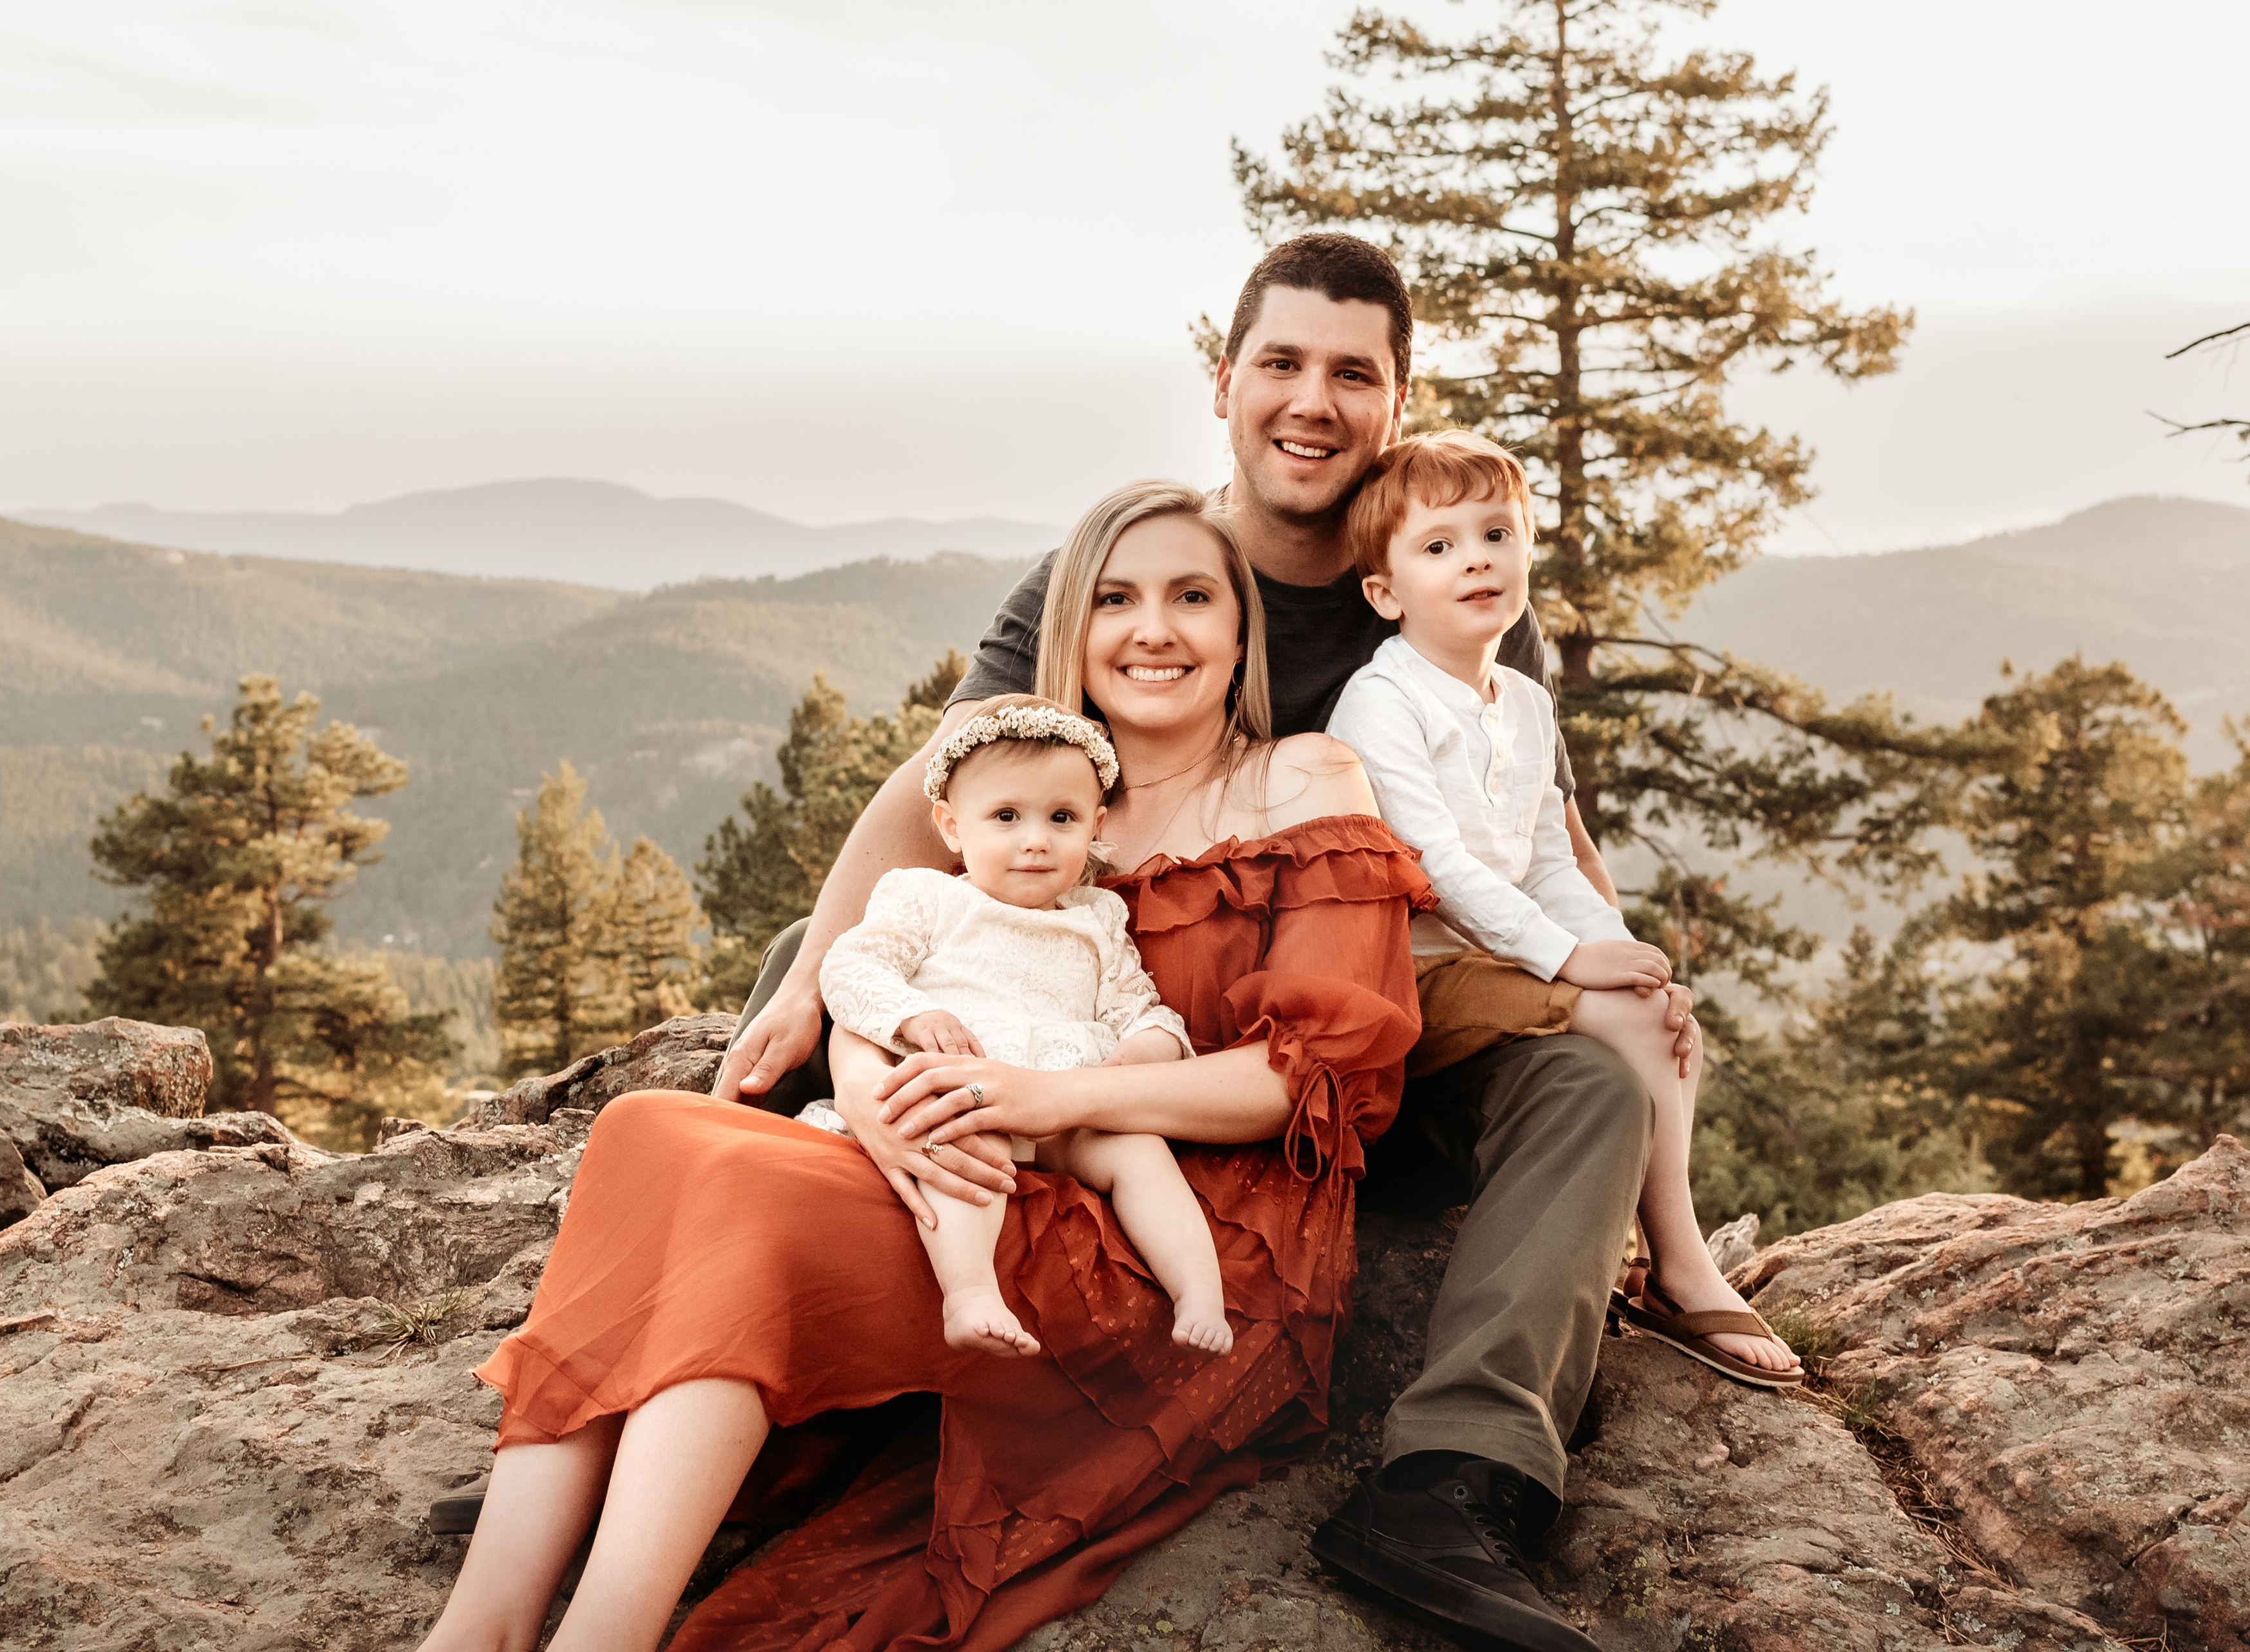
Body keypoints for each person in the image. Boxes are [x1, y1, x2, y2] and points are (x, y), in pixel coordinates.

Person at [714, 234, 1676, 1650]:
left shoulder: (1434, 575)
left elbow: (1544, 824)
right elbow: (936, 791)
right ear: (1225, 382)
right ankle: (715, 1398)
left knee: (1588, 1082)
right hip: (1101, 984)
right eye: (1282, 362)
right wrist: (808, 983)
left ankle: (1454, 1479)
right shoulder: (1131, 567)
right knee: (833, 951)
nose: (1313, 401)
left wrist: (1626, 970)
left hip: (1336, 1010)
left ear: (1396, 402)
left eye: (1353, 374)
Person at [415, 478, 1429, 1652]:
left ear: (1243, 629)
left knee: (746, 1207)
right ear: (1071, 628)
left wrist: (1051, 1095)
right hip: (973, 1147)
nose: (1153, 629)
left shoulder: (1302, 777)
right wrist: (865, 1091)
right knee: (645, 1128)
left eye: (1192, 597)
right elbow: (892, 957)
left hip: (1167, 1220)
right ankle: (483, 1622)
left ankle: (604, 1636)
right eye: (1115, 599)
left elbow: (1308, 1082)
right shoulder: (1026, 785)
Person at [1323, 431, 1802, 1389]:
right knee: (1629, 1015)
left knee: (1662, 1014)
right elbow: (1436, 868)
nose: (1477, 560)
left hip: (1502, 964)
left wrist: (1617, 950)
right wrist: (1569, 961)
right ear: (1384, 592)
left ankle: (1653, 1253)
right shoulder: (1382, 701)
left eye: (1497, 534)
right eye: (1439, 546)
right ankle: (1679, 1264)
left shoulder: (1525, 705)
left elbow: (1548, 858)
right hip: (1408, 973)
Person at [812, 691, 1229, 1360]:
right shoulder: (927, 897)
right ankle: (970, 1292)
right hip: (969, 1092)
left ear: (1094, 826)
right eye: (1006, 816)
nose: (1036, 839)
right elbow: (852, 966)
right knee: (962, 1151)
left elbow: (1134, 1001)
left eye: (1062, 818)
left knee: (1141, 1154)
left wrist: (1150, 1042)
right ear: (953, 827)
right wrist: (916, 1013)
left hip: (1068, 1103)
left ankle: (1199, 1292)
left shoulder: (1098, 918)